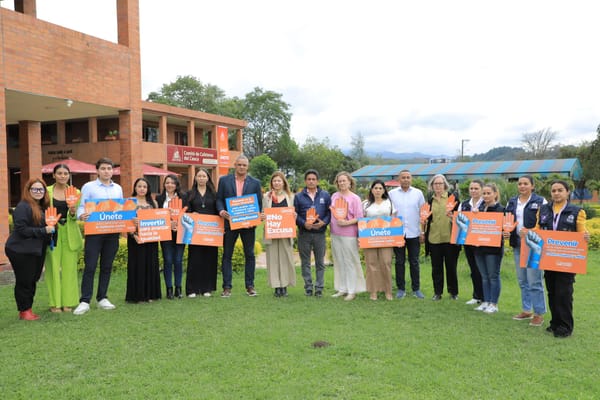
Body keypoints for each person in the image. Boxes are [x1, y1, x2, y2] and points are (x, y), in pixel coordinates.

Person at [538, 180, 588, 338]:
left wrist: (586, 236)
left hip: (567, 259)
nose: (556, 193)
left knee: (564, 292)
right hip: (548, 258)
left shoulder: (577, 211)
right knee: (552, 291)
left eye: (560, 190)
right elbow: (537, 230)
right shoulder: (543, 210)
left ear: (567, 192)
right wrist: (527, 232)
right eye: (554, 191)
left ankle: (565, 326)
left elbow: (582, 233)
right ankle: (555, 323)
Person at [74, 157, 123, 315]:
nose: (106, 171)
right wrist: (82, 215)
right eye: (103, 168)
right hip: (95, 232)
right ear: (97, 170)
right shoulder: (88, 187)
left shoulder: (118, 188)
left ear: (113, 170)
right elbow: (81, 207)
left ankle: (102, 297)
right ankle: (85, 300)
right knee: (90, 266)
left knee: (107, 266)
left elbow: (121, 208)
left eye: (109, 168)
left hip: (112, 232)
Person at [5, 178, 55, 320]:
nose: (38, 192)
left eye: (41, 189)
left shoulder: (42, 206)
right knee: (24, 280)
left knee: (33, 278)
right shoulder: (23, 207)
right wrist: (44, 231)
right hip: (20, 250)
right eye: (35, 189)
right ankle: (24, 311)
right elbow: (21, 229)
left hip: (35, 250)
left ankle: (28, 308)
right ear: (28, 190)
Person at [216, 155, 263, 297]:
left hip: (248, 225)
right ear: (234, 165)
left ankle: (250, 286)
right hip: (230, 223)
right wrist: (221, 210)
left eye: (244, 165)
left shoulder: (255, 183)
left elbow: (258, 204)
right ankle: (227, 287)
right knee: (227, 255)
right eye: (239, 164)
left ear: (247, 167)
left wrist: (254, 219)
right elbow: (219, 199)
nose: (242, 167)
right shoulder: (224, 180)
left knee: (250, 255)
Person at [504, 175, 547, 327]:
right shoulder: (512, 201)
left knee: (534, 280)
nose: (522, 186)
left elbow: (545, 223)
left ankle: (539, 313)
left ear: (532, 186)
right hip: (517, 245)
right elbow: (507, 220)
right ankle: (526, 310)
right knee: (523, 280)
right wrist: (507, 231)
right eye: (520, 184)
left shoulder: (541, 202)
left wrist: (529, 232)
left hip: (534, 246)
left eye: (525, 184)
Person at [45, 164, 83, 313]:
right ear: (53, 175)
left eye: (65, 173)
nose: (62, 176)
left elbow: (74, 218)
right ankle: (55, 303)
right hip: (52, 233)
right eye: (59, 173)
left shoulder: (75, 192)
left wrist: (73, 212)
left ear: (69, 175)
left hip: (69, 232)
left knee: (69, 269)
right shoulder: (47, 192)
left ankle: (68, 302)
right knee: (52, 269)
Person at [388, 170, 426, 299]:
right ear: (399, 179)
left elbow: (423, 213)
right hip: (398, 233)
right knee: (399, 262)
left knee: (414, 262)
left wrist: (422, 231)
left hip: (414, 232)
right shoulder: (392, 194)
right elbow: (388, 212)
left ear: (411, 179)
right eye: (403, 177)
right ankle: (401, 289)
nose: (405, 179)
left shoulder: (418, 193)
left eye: (408, 177)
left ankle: (416, 289)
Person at [294, 169, 331, 297]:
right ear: (305, 181)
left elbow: (329, 213)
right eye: (309, 179)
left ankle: (319, 287)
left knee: (320, 262)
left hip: (320, 233)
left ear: (317, 181)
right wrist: (303, 223)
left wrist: (324, 222)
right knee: (305, 262)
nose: (311, 181)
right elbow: (294, 214)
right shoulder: (298, 196)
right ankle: (308, 288)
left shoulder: (325, 195)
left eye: (313, 179)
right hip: (304, 233)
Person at [329, 172, 366, 301]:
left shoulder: (355, 198)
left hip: (349, 233)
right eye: (339, 181)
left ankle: (352, 290)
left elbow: (359, 217)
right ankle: (342, 288)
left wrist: (346, 223)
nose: (342, 183)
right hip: (335, 233)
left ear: (350, 182)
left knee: (350, 261)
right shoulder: (334, 196)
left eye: (344, 181)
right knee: (339, 261)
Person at [424, 174, 461, 301]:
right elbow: (428, 218)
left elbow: (461, 218)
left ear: (445, 185)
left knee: (451, 267)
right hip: (434, 238)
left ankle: (453, 292)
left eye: (440, 183)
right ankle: (437, 292)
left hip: (450, 238)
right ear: (432, 186)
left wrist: (453, 217)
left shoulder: (453, 198)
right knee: (436, 267)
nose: (438, 186)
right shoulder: (430, 200)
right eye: (435, 184)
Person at [126, 178, 162, 303]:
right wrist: (133, 234)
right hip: (135, 239)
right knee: (138, 265)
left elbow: (159, 221)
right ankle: (138, 295)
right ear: (135, 188)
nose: (142, 189)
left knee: (150, 265)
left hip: (151, 238)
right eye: (139, 186)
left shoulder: (154, 203)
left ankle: (150, 294)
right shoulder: (129, 202)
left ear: (148, 189)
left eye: (144, 187)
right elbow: (125, 222)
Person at [184, 168, 219, 297]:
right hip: (195, 232)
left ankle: (207, 288)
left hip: (211, 232)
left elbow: (218, 211)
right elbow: (185, 211)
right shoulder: (189, 194)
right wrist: (191, 213)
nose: (201, 178)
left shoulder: (214, 194)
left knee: (209, 259)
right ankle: (192, 289)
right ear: (195, 178)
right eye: (199, 176)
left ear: (208, 178)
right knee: (195, 259)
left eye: (204, 176)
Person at [262, 171, 296, 297]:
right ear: (272, 183)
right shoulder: (267, 197)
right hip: (272, 232)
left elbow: (293, 213)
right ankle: (276, 286)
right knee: (273, 259)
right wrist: (262, 216)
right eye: (274, 181)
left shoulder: (290, 196)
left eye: (279, 181)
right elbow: (262, 213)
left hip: (285, 233)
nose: (277, 183)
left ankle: (284, 286)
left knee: (285, 259)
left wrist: (294, 216)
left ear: (283, 182)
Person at [473, 183, 505, 314]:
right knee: (484, 276)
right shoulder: (479, 208)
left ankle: (494, 303)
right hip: (479, 247)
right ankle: (485, 301)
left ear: (495, 194)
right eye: (484, 193)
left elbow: (504, 228)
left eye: (488, 193)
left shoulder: (501, 209)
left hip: (493, 249)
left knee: (493, 276)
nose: (486, 196)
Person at [362, 180, 395, 301]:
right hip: (370, 238)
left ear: (384, 190)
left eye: (380, 188)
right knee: (371, 264)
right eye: (375, 188)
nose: (377, 190)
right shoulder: (365, 204)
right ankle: (373, 291)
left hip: (385, 237)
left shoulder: (389, 203)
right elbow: (362, 220)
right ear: (371, 190)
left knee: (386, 263)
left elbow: (394, 219)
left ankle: (388, 291)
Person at [155, 174, 186, 299]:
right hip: (165, 233)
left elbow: (187, 214)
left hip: (180, 233)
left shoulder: (183, 197)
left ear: (176, 185)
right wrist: (169, 222)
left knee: (178, 260)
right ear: (164, 185)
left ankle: (178, 288)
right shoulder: (159, 198)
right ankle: (169, 289)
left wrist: (179, 222)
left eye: (172, 183)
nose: (170, 185)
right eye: (167, 183)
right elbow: (156, 215)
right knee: (167, 260)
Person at [459, 179, 484, 305]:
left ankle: (485, 297)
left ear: (482, 189)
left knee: (483, 270)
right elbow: (459, 221)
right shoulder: (464, 204)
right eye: (471, 188)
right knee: (473, 269)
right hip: (468, 241)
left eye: (476, 188)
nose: (473, 191)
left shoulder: (486, 203)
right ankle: (476, 296)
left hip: (482, 242)